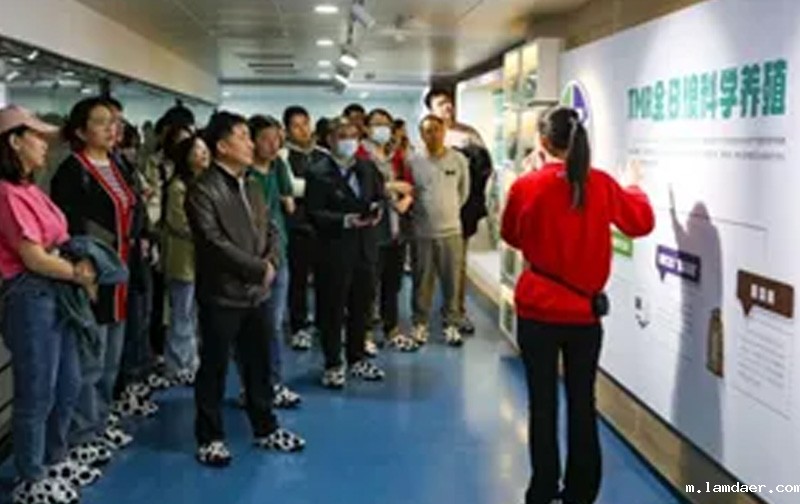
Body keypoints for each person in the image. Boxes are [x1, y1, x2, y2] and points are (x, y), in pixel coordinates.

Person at [501, 107, 654, 504]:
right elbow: (641, 223)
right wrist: (634, 187)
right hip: (583, 315)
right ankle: (581, 492)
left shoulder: (527, 185)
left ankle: (542, 487)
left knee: (542, 404)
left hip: (537, 311)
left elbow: (511, 235)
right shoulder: (600, 183)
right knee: (582, 402)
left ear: (543, 141)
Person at [186, 111, 304, 467]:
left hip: (257, 293)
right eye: (242, 136)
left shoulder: (251, 183)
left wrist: (271, 261)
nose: (251, 144)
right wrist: (258, 269)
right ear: (222, 146)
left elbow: (270, 227)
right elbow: (213, 242)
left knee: (259, 364)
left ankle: (265, 428)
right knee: (215, 367)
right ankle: (210, 437)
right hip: (222, 294)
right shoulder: (203, 189)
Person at [0, 105, 98, 504]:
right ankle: (31, 476)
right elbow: (34, 257)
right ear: (14, 142)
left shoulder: (30, 189)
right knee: (37, 391)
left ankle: (55, 458)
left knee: (68, 381)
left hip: (56, 293)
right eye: (37, 137)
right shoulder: (6, 194)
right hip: (31, 298)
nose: (45, 145)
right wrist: (78, 273)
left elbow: (57, 239)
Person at [52, 97, 137, 464]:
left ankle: (101, 421)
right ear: (81, 130)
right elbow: (70, 226)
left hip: (120, 276)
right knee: (89, 358)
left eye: (114, 121)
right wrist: (84, 267)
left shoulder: (118, 164)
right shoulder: (72, 170)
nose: (111, 128)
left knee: (111, 357)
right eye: (101, 122)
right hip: (91, 277)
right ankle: (81, 432)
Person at [306, 117, 387, 388]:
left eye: (353, 135)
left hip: (365, 248)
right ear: (330, 139)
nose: (349, 141)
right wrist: (345, 220)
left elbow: (378, 196)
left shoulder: (367, 167)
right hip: (334, 250)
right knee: (332, 308)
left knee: (361, 307)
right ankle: (332, 363)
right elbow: (314, 213)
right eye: (342, 136)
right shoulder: (318, 172)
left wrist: (377, 211)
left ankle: (356, 358)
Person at [426, 87, 493, 336]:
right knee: (434, 264)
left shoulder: (469, 133)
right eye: (441, 103)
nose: (448, 107)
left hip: (465, 209)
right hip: (438, 210)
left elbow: (485, 168)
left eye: (449, 102)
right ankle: (432, 311)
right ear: (431, 110)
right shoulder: (430, 137)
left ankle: (457, 312)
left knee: (458, 263)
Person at [247, 114, 301, 408]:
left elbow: (289, 204)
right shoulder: (245, 173)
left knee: (274, 324)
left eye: (276, 139)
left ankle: (273, 383)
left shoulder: (278, 165)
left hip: (278, 252)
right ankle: (256, 386)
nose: (272, 145)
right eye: (265, 139)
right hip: (252, 257)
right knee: (255, 326)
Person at [357, 109, 417, 353]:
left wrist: (407, 198)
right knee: (368, 285)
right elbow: (363, 189)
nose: (382, 128)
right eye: (376, 124)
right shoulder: (361, 155)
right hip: (373, 229)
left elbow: (410, 185)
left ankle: (392, 329)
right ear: (367, 128)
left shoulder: (395, 155)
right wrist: (390, 186)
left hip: (397, 229)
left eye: (386, 124)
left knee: (393, 285)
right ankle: (365, 332)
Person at [407, 115, 469, 347]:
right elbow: (409, 193)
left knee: (452, 282)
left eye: (437, 129)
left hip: (451, 231)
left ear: (444, 132)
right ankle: (420, 323)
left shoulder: (458, 159)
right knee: (421, 280)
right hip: (422, 232)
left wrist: (449, 212)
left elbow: (463, 192)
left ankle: (451, 324)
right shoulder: (413, 160)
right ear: (421, 135)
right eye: (428, 131)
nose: (433, 134)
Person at [163, 135, 210, 386]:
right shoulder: (178, 186)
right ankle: (178, 365)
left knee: (194, 313)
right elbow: (178, 222)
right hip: (183, 258)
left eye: (204, 150)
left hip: (202, 258)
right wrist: (209, 234)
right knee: (181, 312)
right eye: (197, 151)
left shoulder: (206, 183)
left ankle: (192, 362)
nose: (204, 154)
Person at [282, 106, 328, 351]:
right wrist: (317, 187)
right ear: (287, 130)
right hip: (297, 226)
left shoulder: (323, 154)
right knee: (297, 280)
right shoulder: (283, 156)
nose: (302, 130)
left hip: (324, 228)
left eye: (305, 124)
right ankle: (298, 326)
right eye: (296, 126)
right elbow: (290, 188)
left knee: (325, 279)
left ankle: (323, 323)